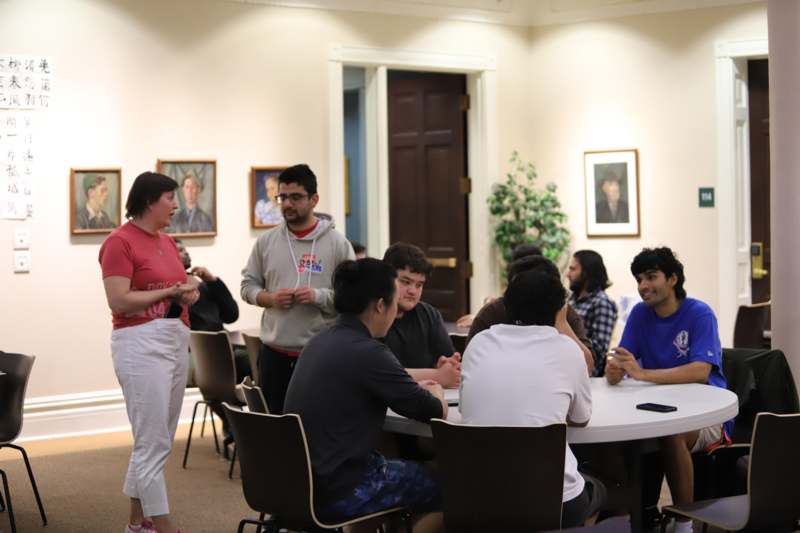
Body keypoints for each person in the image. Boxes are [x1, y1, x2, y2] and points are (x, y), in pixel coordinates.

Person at [285, 258, 446, 528]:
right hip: (341, 490)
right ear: (381, 305)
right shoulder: (369, 352)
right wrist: (437, 388)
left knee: (399, 472)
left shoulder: (319, 341)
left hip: (300, 483)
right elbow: (433, 410)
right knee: (453, 486)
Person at [460, 269, 606, 527]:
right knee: (601, 490)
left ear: (506, 306)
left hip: (478, 497)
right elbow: (581, 419)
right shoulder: (567, 350)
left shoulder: (478, 343)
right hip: (552, 502)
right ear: (559, 310)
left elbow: (465, 409)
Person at [99, 171, 200, 533]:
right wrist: (168, 292)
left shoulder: (168, 242)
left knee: (155, 438)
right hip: (139, 343)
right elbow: (119, 300)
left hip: (174, 338)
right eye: (169, 198)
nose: (176, 204)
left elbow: (177, 286)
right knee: (152, 439)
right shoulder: (119, 242)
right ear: (148, 201)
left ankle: (135, 522)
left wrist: (189, 291)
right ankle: (161, 523)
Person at [606, 247, 733, 533]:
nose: (643, 287)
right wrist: (614, 370)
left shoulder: (700, 314)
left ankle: (684, 523)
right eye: (639, 279)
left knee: (671, 432)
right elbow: (622, 362)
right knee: (620, 439)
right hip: (656, 408)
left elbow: (701, 372)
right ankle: (634, 518)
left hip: (705, 413)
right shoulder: (639, 314)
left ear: (673, 279)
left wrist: (641, 373)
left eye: (651, 277)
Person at [241, 164, 354, 413]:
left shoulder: (337, 244)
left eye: (296, 197)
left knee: (319, 429)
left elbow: (353, 298)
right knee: (277, 433)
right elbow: (248, 285)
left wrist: (318, 296)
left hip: (321, 355)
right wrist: (269, 298)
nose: (287, 204)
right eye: (282, 197)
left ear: (314, 199)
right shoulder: (266, 242)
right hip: (274, 355)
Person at [467, 252, 595, 374]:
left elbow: (588, 367)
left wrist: (562, 324)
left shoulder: (562, 312)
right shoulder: (493, 312)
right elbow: (471, 365)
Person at [381, 242, 461, 388]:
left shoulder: (429, 314)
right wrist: (437, 375)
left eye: (419, 285)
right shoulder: (374, 314)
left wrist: (445, 365)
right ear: (386, 277)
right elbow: (378, 372)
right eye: (406, 282)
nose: (413, 291)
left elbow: (450, 366)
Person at [567, 250, 618, 376]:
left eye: (573, 269)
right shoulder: (571, 300)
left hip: (585, 377)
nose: (568, 274)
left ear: (587, 273)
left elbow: (598, 352)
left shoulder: (601, 303)